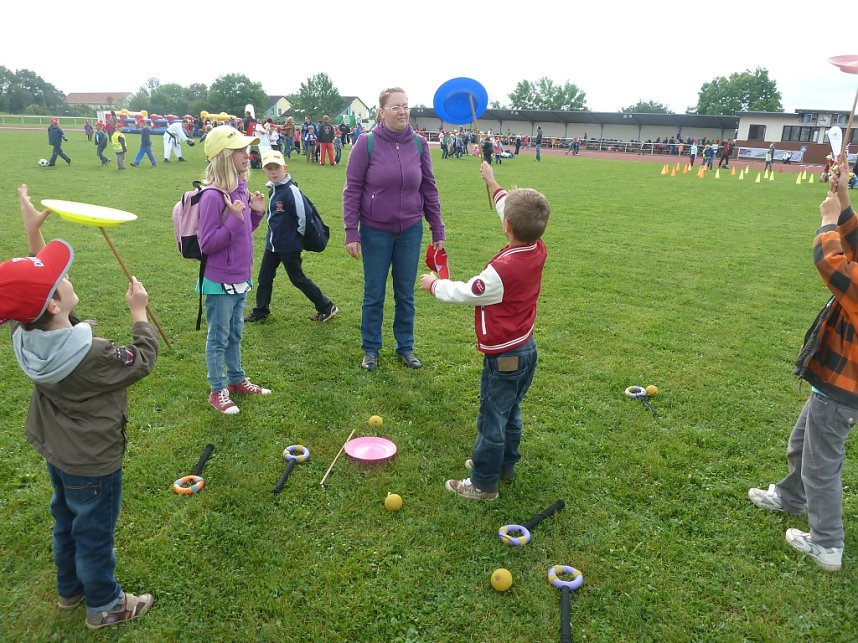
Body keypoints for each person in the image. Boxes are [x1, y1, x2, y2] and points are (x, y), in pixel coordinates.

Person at [1, 184, 158, 628]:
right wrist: (139, 314)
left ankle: (69, 590)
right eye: (60, 280)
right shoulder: (93, 354)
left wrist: (34, 235)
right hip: (91, 459)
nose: (67, 279)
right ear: (53, 302)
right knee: (93, 533)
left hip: (59, 451)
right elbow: (141, 360)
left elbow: (34, 298)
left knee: (66, 519)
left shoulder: (24, 335)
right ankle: (105, 604)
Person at [748, 160, 857, 572]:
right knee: (803, 444)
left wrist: (828, 221)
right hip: (832, 383)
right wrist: (843, 197)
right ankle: (790, 498)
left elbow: (833, 263)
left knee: (821, 464)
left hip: (843, 390)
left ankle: (827, 544)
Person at [419, 162, 549, 500]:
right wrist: (493, 183)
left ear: (507, 226)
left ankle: (483, 482)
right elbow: (511, 210)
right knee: (511, 410)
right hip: (526, 348)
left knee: (492, 416)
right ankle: (504, 464)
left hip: (504, 355)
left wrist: (435, 284)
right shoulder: (537, 246)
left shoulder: (500, 273)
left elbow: (465, 292)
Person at [343, 86, 445, 371]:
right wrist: (351, 231)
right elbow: (352, 189)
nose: (403, 111)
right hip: (375, 231)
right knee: (374, 293)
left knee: (405, 293)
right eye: (396, 106)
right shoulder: (367, 143)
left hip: (410, 230)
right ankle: (371, 349)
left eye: (406, 106)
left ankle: (406, 346)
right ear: (382, 111)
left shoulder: (419, 144)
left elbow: (429, 188)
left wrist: (437, 228)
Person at [199, 126, 271, 415]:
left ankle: (237, 380)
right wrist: (232, 219)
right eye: (241, 150)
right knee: (218, 338)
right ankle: (218, 390)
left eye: (247, 149)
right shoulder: (213, 197)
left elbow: (243, 232)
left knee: (235, 334)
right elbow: (207, 243)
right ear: (223, 156)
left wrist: (254, 213)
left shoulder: (239, 189)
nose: (248, 154)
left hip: (241, 278)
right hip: (220, 281)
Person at [245, 151, 338, 324]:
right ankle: (260, 311)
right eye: (269, 168)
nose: (273, 172)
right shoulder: (273, 189)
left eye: (277, 168)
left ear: (285, 168)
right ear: (264, 171)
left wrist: (296, 238)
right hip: (272, 245)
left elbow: (304, 217)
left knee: (297, 278)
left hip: (288, 246)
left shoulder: (290, 190)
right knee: (264, 278)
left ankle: (326, 306)